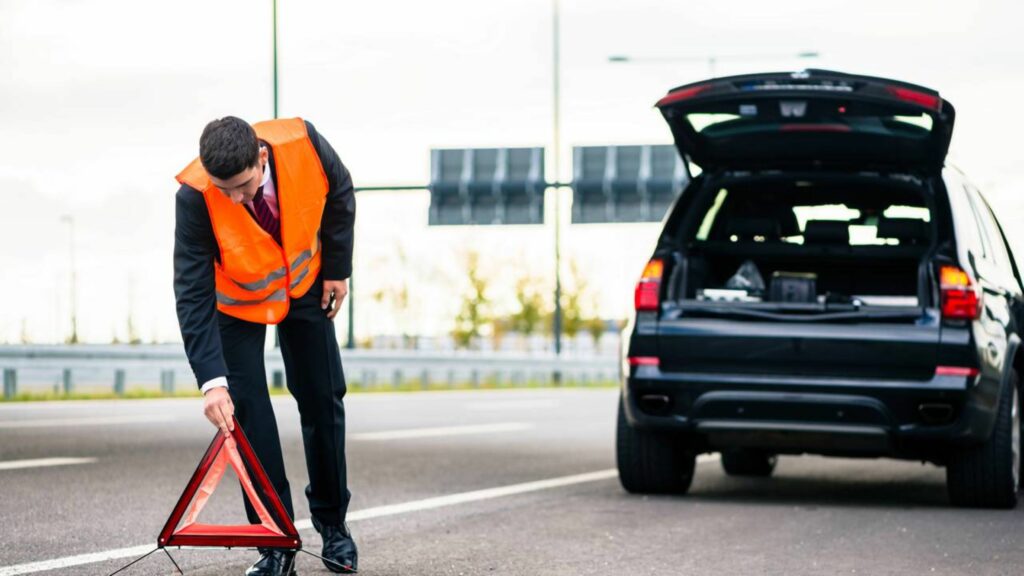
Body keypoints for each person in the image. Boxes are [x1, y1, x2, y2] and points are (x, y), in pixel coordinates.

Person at [173, 116, 357, 575]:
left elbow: (340, 192)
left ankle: (334, 526)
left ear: (261, 158)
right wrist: (212, 382)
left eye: (244, 186)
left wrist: (337, 269)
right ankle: (275, 541)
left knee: (323, 399)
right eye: (225, 190)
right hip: (237, 302)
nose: (236, 199)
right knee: (247, 413)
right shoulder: (194, 195)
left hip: (305, 284)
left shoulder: (303, 143)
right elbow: (192, 290)